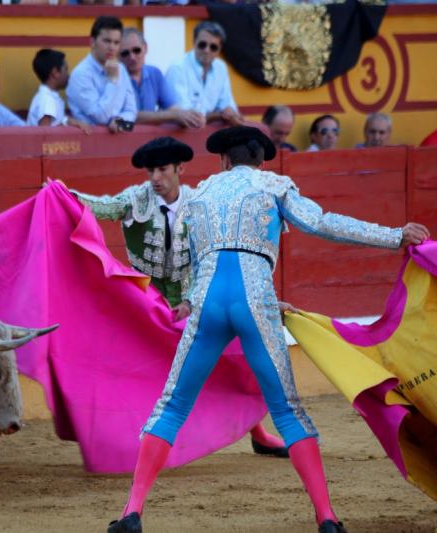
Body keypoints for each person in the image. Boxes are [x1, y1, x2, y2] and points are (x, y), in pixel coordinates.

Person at [106, 126, 430, 533]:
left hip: (207, 302)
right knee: (287, 410)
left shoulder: (201, 193)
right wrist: (394, 236)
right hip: (252, 298)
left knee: (172, 405)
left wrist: (193, 300)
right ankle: (327, 519)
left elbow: (201, 260)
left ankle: (132, 513)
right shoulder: (274, 185)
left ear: (224, 160)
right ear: (260, 161)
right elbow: (322, 224)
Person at [70, 136, 290, 458]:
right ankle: (116, 436)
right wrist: (65, 195)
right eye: (150, 172)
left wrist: (190, 300)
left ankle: (257, 431)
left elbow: (206, 256)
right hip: (145, 303)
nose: (155, 179)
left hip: (193, 298)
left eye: (162, 170)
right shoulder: (136, 200)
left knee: (231, 360)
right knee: (127, 364)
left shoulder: (200, 200)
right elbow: (101, 207)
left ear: (179, 169)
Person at [119, 28, 204, 128]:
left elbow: (172, 108)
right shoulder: (114, 78)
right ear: (117, 55)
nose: (132, 57)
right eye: (125, 53)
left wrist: (191, 117)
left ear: (145, 48)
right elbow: (127, 117)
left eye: (136, 50)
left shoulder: (154, 74)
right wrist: (174, 115)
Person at [66, 16, 137, 132]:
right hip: (89, 145)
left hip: (119, 144)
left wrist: (121, 122)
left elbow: (131, 110)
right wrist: (113, 81)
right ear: (93, 42)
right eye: (107, 41)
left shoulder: (121, 68)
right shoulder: (80, 74)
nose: (112, 47)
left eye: (116, 42)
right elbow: (101, 118)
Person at [165, 21, 243, 126]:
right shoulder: (178, 68)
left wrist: (230, 112)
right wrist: (221, 114)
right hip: (178, 134)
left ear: (219, 49)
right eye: (202, 45)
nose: (207, 50)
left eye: (213, 47)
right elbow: (187, 116)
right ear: (194, 42)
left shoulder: (221, 68)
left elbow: (227, 103)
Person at [27, 49, 91, 133]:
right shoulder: (47, 100)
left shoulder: (50, 97)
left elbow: (56, 121)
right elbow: (44, 133)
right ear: (55, 73)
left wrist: (68, 121)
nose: (68, 75)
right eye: (66, 70)